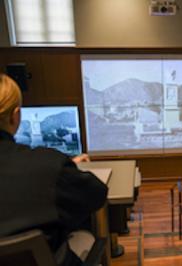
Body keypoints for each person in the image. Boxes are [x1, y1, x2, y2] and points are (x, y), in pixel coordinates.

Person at [0, 74, 108, 266]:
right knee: (85, 234)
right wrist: (64, 168)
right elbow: (97, 194)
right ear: (15, 116)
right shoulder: (48, 163)